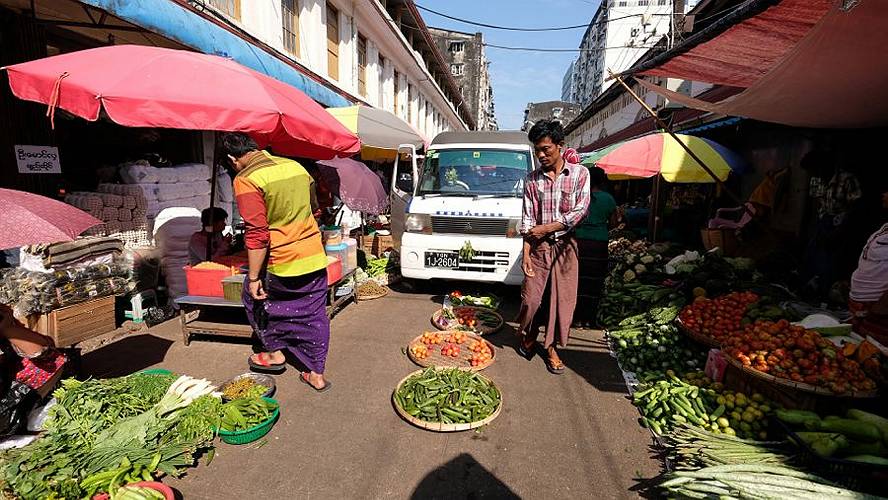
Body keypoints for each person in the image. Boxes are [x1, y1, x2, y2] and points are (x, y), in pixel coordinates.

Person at [221, 132, 331, 392]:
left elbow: (257, 234)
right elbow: (316, 210)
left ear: (232, 158)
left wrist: (255, 277)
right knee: (314, 315)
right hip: (314, 256)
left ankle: (275, 353)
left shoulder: (247, 179)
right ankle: (316, 373)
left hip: (281, 262)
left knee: (257, 302)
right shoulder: (296, 167)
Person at [515, 120, 591, 374]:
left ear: (560, 146)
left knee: (560, 302)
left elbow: (580, 211)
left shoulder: (580, 174)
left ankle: (551, 348)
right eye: (537, 150)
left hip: (565, 249)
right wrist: (525, 254)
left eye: (546, 149)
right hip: (537, 248)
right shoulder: (531, 180)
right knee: (531, 299)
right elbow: (527, 220)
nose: (540, 155)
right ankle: (529, 331)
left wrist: (548, 227)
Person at [574, 166, 616, 326]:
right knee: (594, 282)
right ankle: (589, 319)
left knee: (578, 280)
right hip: (599, 244)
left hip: (579, 243)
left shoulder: (579, 196)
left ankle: (575, 317)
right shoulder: (608, 199)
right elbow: (613, 223)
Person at [849, 188, 888, 345]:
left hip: (877, 312)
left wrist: (880, 308)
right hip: (862, 308)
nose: (883, 193)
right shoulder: (885, 226)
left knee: (872, 358)